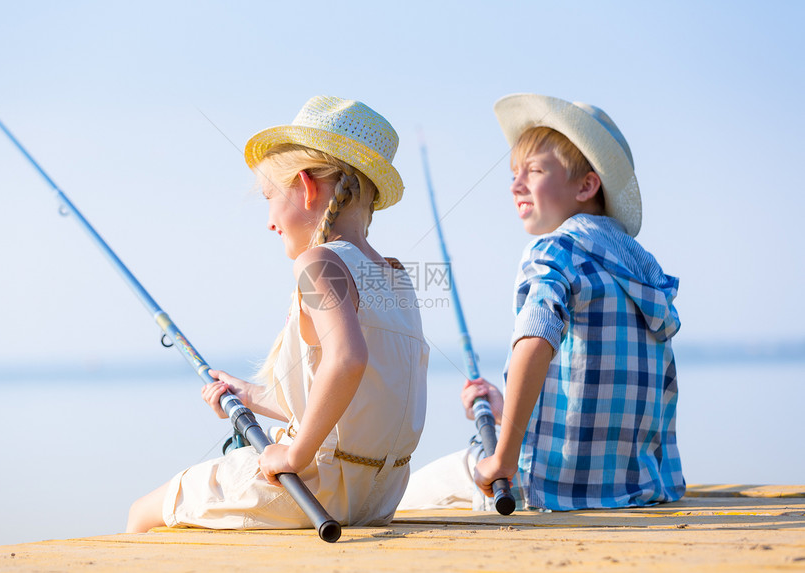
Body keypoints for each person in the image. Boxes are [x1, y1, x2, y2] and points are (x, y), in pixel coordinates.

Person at [126, 96, 428, 532]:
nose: (269, 220)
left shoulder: (319, 262)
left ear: (306, 186)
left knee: (142, 513)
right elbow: (355, 396)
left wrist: (294, 454)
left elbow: (347, 360)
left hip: (313, 489)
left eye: (270, 196)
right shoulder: (399, 279)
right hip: (380, 495)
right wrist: (249, 395)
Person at [401, 93, 684, 512]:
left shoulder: (554, 251)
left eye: (533, 171)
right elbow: (598, 390)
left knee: (398, 501)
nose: (515, 185)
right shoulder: (641, 271)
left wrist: (503, 457)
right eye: (514, 172)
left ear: (587, 185)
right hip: (637, 488)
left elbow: (535, 340)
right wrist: (504, 411)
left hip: (549, 488)